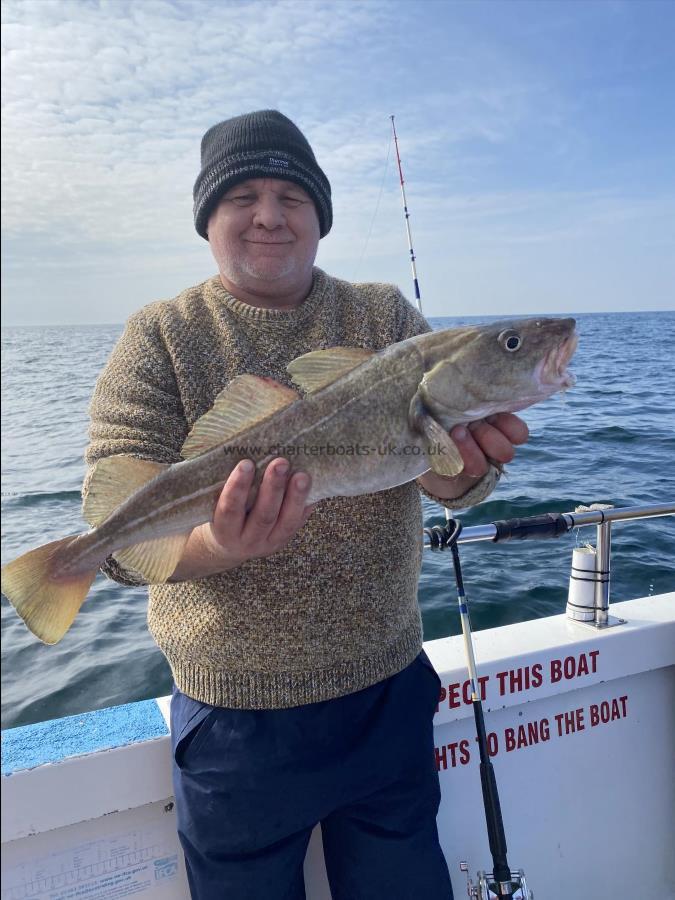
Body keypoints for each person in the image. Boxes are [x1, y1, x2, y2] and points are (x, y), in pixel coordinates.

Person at [84, 110, 529, 900]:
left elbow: (440, 474)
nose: (268, 214)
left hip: (387, 689)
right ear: (207, 219)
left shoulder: (384, 315)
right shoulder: (159, 334)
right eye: (243, 196)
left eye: (291, 194)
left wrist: (465, 474)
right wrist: (222, 546)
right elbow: (115, 543)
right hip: (235, 719)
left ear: (319, 215)